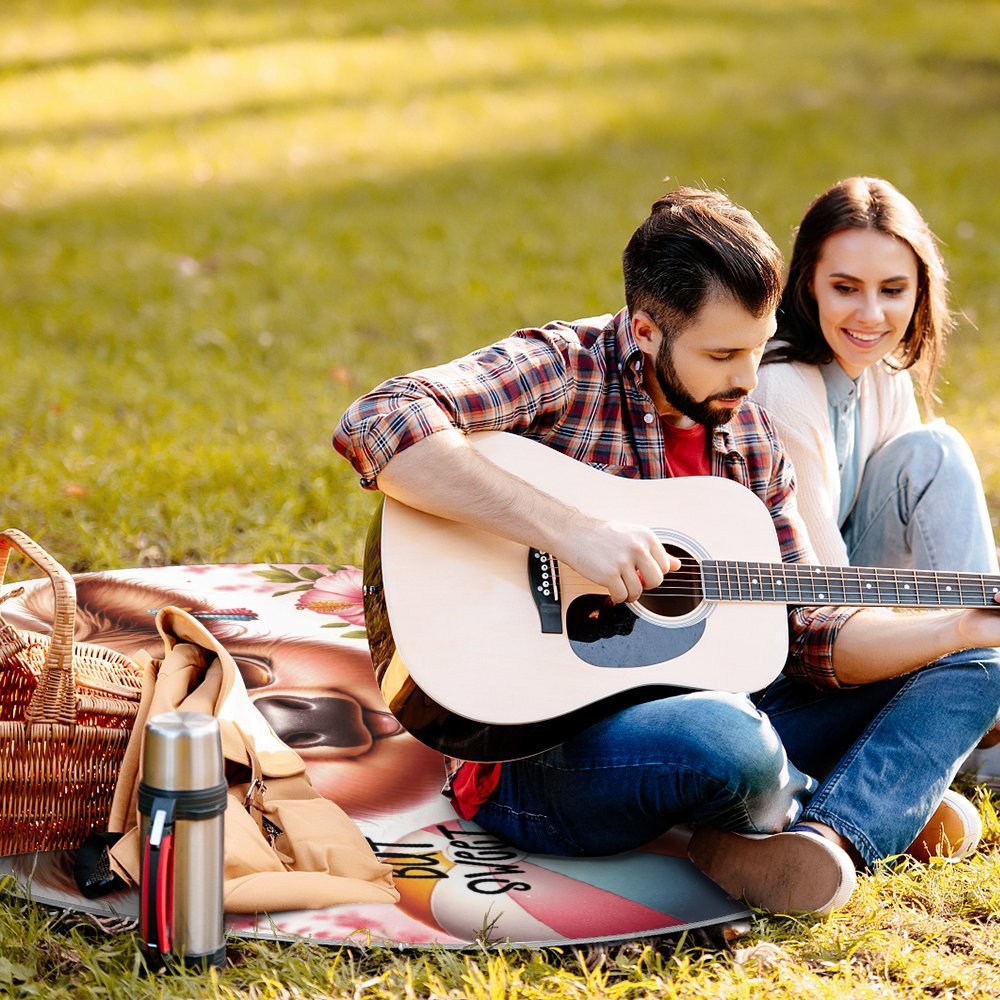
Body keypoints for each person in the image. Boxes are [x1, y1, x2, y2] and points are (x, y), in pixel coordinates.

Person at [333, 187, 1000, 916]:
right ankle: (857, 796)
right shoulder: (564, 367)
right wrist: (569, 531)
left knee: (980, 665)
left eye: (757, 346)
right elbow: (380, 419)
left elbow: (809, 629)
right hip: (538, 755)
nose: (748, 380)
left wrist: (956, 628)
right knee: (728, 742)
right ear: (646, 330)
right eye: (722, 354)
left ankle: (830, 837)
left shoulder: (748, 435)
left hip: (727, 709)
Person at [753, 176, 1000, 792]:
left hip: (861, 608)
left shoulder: (881, 370)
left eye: (893, 290)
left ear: (920, 291)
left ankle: (976, 698)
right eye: (845, 288)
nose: (871, 315)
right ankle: (977, 707)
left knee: (931, 452)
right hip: (796, 647)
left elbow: (921, 531)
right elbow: (824, 601)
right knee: (937, 451)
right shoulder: (783, 385)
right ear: (807, 281)